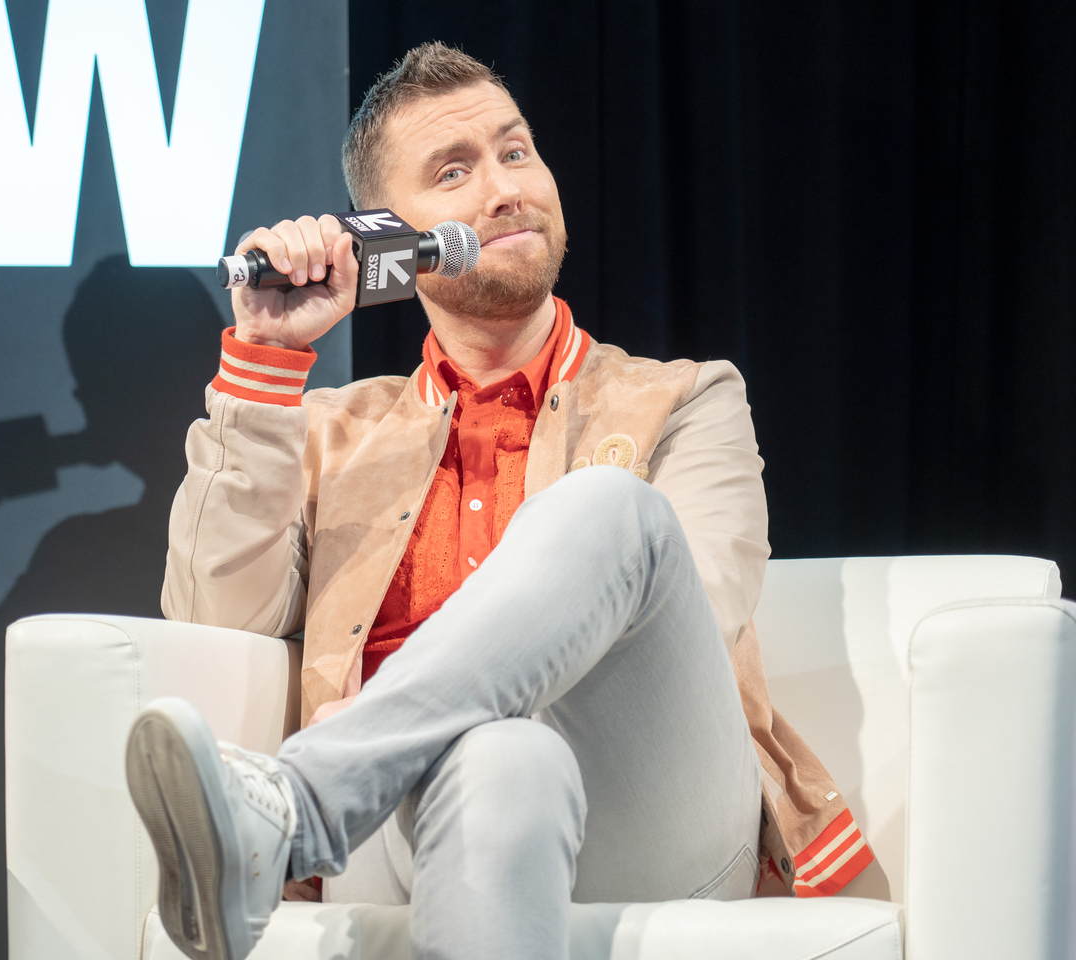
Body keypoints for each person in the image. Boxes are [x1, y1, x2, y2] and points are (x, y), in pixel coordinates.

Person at [126, 43, 882, 960]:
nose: (504, 188)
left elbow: (703, 601)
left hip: (653, 808)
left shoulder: (687, 398)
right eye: (455, 170)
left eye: (515, 151)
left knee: (615, 512)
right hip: (401, 825)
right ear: (386, 242)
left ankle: (298, 802)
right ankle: (325, 797)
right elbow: (214, 618)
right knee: (501, 760)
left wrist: (381, 715)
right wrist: (266, 360)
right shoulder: (332, 434)